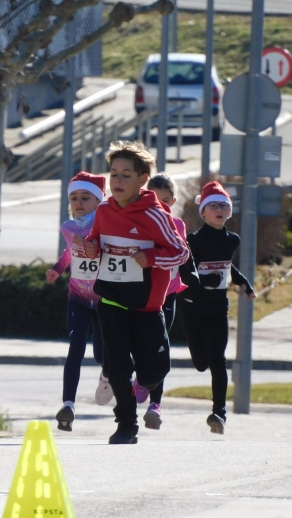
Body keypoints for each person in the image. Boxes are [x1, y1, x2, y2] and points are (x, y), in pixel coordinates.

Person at [85, 140, 189, 444]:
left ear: (143, 179)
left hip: (147, 306)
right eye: (113, 174)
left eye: (126, 175)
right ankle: (126, 425)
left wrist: (153, 258)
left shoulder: (156, 215)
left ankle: (143, 385)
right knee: (116, 365)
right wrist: (92, 248)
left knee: (155, 369)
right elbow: (95, 241)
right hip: (112, 300)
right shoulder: (104, 210)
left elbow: (181, 253)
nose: (117, 180)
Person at [179, 181, 256, 435]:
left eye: (224, 205)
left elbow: (226, 267)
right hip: (192, 307)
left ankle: (219, 413)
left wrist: (242, 281)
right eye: (213, 205)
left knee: (218, 360)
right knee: (201, 363)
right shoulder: (193, 240)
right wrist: (202, 281)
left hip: (217, 310)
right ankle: (217, 409)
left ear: (230, 211)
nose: (219, 209)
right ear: (203, 212)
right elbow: (186, 270)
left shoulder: (232, 240)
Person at [47, 172, 111, 432]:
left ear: (98, 201)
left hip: (105, 297)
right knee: (75, 349)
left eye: (86, 197)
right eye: (74, 198)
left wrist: (93, 245)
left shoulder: (106, 223)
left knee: (100, 354)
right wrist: (57, 269)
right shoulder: (68, 227)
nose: (79, 203)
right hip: (78, 297)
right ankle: (68, 405)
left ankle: (107, 376)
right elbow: (69, 252)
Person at [133, 173, 188, 425]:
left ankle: (156, 404)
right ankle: (141, 379)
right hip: (145, 292)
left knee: (160, 346)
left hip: (170, 293)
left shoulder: (178, 225)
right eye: (156, 200)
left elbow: (181, 254)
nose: (161, 206)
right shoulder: (141, 223)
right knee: (142, 342)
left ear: (174, 201)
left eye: (166, 201)